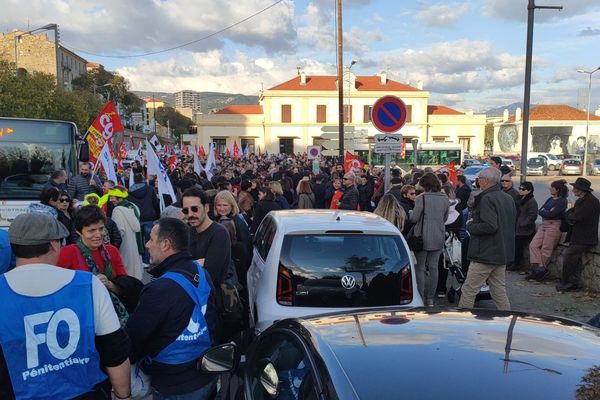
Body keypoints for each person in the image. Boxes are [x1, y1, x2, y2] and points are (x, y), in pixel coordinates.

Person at [0, 213, 131, 399]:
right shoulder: (89, 284)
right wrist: (123, 395)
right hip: (87, 392)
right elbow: (115, 352)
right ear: (54, 244)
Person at [126, 218, 220, 400]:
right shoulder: (201, 272)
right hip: (205, 373)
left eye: (151, 239)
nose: (146, 245)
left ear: (165, 244)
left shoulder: (160, 289)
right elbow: (212, 316)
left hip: (174, 385)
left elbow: (133, 341)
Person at [458, 167, 516, 310]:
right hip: (501, 251)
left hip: (485, 252)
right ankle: (506, 318)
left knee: (469, 290)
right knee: (498, 290)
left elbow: (490, 226)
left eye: (480, 179)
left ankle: (462, 322)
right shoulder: (508, 198)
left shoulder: (487, 198)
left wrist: (471, 226)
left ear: (486, 181)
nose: (478, 182)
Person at [409, 173, 449, 306]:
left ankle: (420, 295)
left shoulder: (421, 198)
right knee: (434, 268)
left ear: (425, 185)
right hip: (438, 235)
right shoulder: (444, 198)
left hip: (422, 236)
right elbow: (445, 218)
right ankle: (430, 298)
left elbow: (414, 218)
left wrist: (410, 213)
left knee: (420, 267)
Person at [183, 187, 234, 286]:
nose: (190, 214)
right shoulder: (190, 231)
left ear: (206, 208)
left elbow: (209, 274)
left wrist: (189, 265)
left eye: (194, 209)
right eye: (186, 210)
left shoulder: (219, 233)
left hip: (211, 297)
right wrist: (197, 263)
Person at [556, 178, 600, 292]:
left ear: (581, 190)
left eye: (575, 188)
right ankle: (571, 281)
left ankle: (568, 281)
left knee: (569, 256)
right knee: (574, 259)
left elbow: (576, 216)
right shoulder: (581, 200)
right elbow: (571, 213)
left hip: (585, 237)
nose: (573, 190)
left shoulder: (591, 201)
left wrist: (569, 216)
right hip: (577, 235)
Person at [526, 180, 568, 281]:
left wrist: (547, 212)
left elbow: (551, 214)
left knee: (546, 248)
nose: (550, 189)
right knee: (533, 245)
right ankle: (537, 267)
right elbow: (541, 210)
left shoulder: (562, 201)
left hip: (554, 225)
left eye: (552, 187)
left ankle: (541, 268)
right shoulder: (550, 199)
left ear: (557, 189)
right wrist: (547, 211)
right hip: (544, 224)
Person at [109, 187, 144, 280]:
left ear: (120, 198)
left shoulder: (117, 210)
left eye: (113, 197)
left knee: (125, 272)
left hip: (124, 246)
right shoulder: (133, 206)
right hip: (135, 244)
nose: (111, 200)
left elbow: (119, 232)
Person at [128, 173, 161, 264]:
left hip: (136, 218)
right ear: (143, 180)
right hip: (149, 218)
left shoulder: (129, 192)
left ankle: (139, 260)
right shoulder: (150, 189)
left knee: (137, 241)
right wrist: (158, 216)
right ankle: (146, 260)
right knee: (149, 240)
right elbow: (155, 203)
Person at [510, 181, 538, 271]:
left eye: (523, 189)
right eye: (520, 188)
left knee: (519, 246)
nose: (521, 190)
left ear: (529, 191)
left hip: (525, 229)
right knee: (516, 246)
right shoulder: (519, 199)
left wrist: (523, 223)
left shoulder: (531, 201)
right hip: (517, 227)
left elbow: (532, 216)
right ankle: (514, 263)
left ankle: (517, 264)